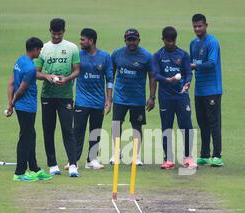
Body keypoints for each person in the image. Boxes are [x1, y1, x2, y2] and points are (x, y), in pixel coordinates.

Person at [35, 18, 80, 177]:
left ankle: (73, 164)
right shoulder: (44, 49)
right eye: (54, 34)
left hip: (65, 96)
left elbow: (76, 70)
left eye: (59, 34)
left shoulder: (72, 48)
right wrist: (47, 77)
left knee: (68, 130)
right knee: (48, 130)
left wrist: (66, 79)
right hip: (47, 95)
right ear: (50, 31)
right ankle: (52, 164)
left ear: (64, 31)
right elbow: (37, 72)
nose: (56, 37)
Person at [6, 37, 52, 182]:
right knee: (25, 138)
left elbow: (11, 82)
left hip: (22, 106)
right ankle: (19, 173)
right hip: (27, 107)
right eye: (40, 50)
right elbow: (20, 90)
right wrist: (12, 103)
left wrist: (45, 76)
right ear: (35, 50)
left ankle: (34, 168)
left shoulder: (20, 61)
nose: (40, 53)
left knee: (30, 135)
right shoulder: (30, 68)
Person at [152, 26, 197, 170]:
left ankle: (188, 157)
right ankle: (168, 159)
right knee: (167, 127)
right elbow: (155, 75)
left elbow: (188, 73)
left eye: (172, 41)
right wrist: (167, 80)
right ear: (163, 39)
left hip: (181, 96)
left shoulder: (183, 54)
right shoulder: (157, 55)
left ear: (175, 39)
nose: (170, 44)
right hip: (165, 97)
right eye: (167, 41)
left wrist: (188, 83)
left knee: (186, 126)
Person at [110, 28, 156, 166]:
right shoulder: (117, 54)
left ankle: (136, 155)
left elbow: (152, 77)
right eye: (129, 40)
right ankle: (116, 153)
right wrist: (109, 95)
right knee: (116, 124)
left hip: (137, 98)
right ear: (125, 40)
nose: (131, 42)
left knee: (137, 126)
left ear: (138, 40)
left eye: (134, 40)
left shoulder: (147, 56)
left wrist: (152, 97)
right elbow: (111, 74)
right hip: (120, 97)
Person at [74, 28, 113, 170]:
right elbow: (73, 76)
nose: (80, 42)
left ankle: (92, 160)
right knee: (77, 131)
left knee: (95, 131)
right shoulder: (78, 55)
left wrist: (108, 100)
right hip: (81, 100)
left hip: (98, 101)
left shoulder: (105, 57)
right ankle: (74, 160)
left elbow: (109, 79)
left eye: (83, 39)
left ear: (91, 41)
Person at [190, 13, 223, 167]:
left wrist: (194, 66)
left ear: (206, 25)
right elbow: (190, 65)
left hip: (212, 90)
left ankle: (217, 155)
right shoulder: (193, 43)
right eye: (195, 26)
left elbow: (211, 63)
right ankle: (204, 154)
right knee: (202, 122)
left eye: (200, 26)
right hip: (199, 90)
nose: (197, 29)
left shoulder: (212, 42)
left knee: (214, 122)